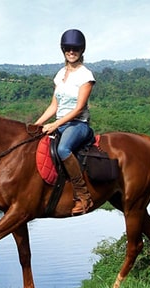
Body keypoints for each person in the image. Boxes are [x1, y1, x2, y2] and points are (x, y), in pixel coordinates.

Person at [34, 29, 95, 216]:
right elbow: (54, 105)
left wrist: (55, 124)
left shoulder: (85, 76)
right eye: (68, 48)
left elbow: (78, 108)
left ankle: (84, 196)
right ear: (63, 50)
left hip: (78, 124)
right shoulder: (60, 74)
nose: (71, 52)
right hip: (61, 123)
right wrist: (37, 124)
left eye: (75, 49)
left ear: (81, 50)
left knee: (63, 149)